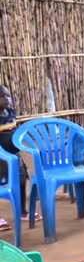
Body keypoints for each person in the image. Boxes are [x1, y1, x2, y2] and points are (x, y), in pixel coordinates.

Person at [0, 86, 38, 232]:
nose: (8, 99)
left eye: (8, 96)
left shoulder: (10, 113)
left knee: (21, 182)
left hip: (14, 155)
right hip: (0, 157)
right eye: (3, 96)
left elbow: (14, 132)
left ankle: (22, 212)